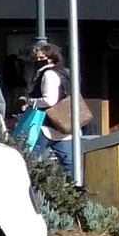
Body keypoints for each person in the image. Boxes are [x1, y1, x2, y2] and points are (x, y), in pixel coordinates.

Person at [20, 41, 72, 169]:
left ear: (51, 58)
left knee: (28, 161)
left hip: (45, 125)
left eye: (42, 58)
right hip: (63, 125)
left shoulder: (48, 74)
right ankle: (76, 187)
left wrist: (29, 101)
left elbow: (49, 100)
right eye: (36, 58)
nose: (38, 61)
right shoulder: (63, 72)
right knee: (70, 164)